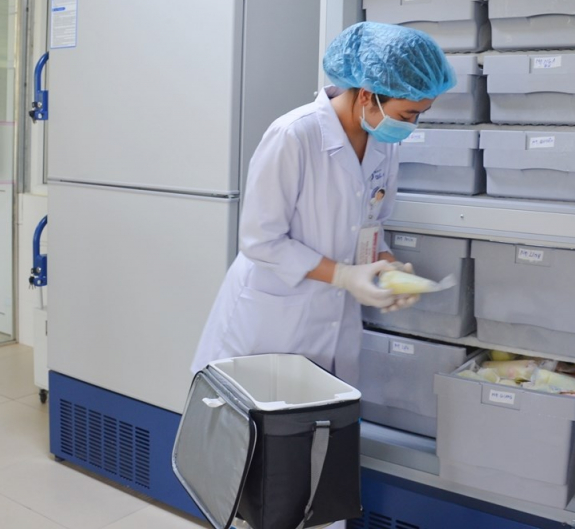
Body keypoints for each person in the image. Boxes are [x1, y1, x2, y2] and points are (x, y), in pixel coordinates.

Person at [192, 20, 455, 387]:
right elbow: (260, 240)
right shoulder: (294, 135)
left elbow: (369, 223)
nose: (413, 124)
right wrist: (344, 276)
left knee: (322, 416)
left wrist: (386, 267)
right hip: (273, 322)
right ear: (367, 96)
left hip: (335, 322)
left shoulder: (384, 142)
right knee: (263, 417)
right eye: (408, 114)